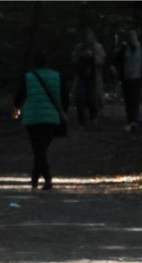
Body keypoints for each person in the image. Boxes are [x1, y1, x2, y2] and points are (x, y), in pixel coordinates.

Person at [13, 51, 68, 190]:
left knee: (38, 149)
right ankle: (36, 179)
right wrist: (62, 111)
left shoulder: (28, 77)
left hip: (32, 118)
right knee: (41, 149)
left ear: (34, 63)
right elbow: (65, 97)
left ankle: (44, 179)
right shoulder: (57, 76)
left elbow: (19, 97)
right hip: (51, 118)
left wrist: (17, 109)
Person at [71, 28, 106, 129]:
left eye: (89, 36)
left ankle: (93, 118)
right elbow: (74, 59)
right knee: (80, 99)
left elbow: (101, 61)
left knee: (93, 99)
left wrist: (93, 56)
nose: (87, 38)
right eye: (86, 36)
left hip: (93, 78)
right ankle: (82, 121)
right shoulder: (79, 47)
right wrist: (81, 56)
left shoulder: (98, 47)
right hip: (81, 78)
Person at [114, 29, 142, 131]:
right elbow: (117, 60)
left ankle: (134, 121)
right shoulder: (124, 49)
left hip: (138, 77)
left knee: (135, 100)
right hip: (126, 78)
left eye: (133, 36)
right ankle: (130, 120)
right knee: (128, 101)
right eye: (130, 36)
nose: (132, 38)